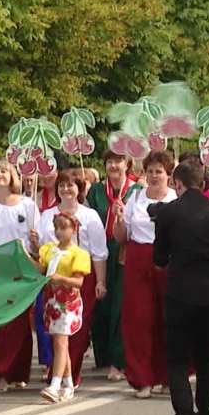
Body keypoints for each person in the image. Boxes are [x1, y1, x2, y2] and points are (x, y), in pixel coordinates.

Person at [151, 161, 209, 415]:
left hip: (180, 292)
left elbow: (159, 258)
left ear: (177, 183)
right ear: (204, 183)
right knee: (207, 356)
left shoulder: (170, 212)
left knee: (177, 358)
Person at [35, 169, 107, 387]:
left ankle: (69, 376)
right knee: (56, 330)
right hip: (53, 278)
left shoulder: (89, 216)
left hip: (80, 277)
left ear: (79, 189)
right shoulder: (47, 215)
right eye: (62, 185)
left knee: (77, 331)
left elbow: (99, 252)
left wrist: (101, 281)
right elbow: (42, 250)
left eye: (71, 185)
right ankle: (60, 375)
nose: (66, 189)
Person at [116, 150, 177, 398]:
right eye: (150, 171)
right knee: (139, 319)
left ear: (168, 175)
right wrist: (119, 220)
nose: (153, 176)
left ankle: (169, 375)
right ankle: (142, 379)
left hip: (170, 261)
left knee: (169, 319)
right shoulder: (135, 199)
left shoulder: (176, 199)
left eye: (158, 171)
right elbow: (121, 237)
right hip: (139, 260)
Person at [0, 160, 39, 392]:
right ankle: (7, 371)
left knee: (19, 323)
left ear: (12, 176)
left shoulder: (28, 205)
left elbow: (38, 241)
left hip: (20, 265)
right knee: (2, 321)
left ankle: (7, 373)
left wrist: (35, 242)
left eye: (3, 171)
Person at [84, 152, 136, 382]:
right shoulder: (96, 190)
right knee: (100, 303)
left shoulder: (137, 191)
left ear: (127, 164)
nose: (114, 165)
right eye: (109, 162)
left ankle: (119, 360)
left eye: (118, 161)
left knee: (120, 305)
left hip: (123, 250)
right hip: (97, 251)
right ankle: (102, 355)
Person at [37, 212, 91, 404]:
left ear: (73, 229)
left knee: (60, 343)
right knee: (60, 344)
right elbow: (39, 270)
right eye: (57, 228)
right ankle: (68, 385)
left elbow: (79, 282)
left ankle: (55, 385)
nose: (59, 232)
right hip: (50, 302)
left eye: (63, 228)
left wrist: (60, 278)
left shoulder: (79, 254)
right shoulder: (48, 249)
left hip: (68, 303)